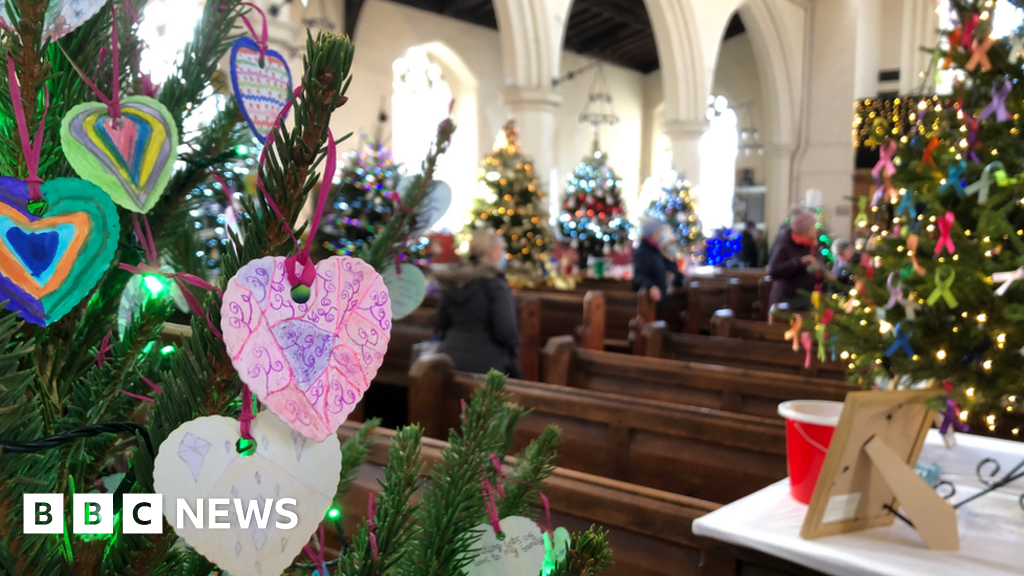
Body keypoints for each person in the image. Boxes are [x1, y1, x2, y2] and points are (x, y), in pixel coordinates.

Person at [435, 229, 520, 377]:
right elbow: (506, 330)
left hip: (448, 359)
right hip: (486, 363)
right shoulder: (494, 285)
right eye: (502, 249)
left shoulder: (456, 280)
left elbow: (441, 322)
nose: (503, 254)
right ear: (491, 251)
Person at [767, 210, 821, 311]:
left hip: (806, 299)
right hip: (787, 301)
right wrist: (799, 261)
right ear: (805, 229)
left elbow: (817, 265)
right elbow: (773, 271)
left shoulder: (812, 243)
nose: (816, 230)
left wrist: (824, 274)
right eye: (814, 226)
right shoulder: (785, 244)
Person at [633, 217, 681, 306]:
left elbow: (668, 267)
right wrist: (651, 286)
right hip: (650, 302)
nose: (661, 234)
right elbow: (639, 276)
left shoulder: (656, 250)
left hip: (660, 301)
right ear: (653, 233)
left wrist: (671, 259)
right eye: (659, 231)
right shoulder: (643, 252)